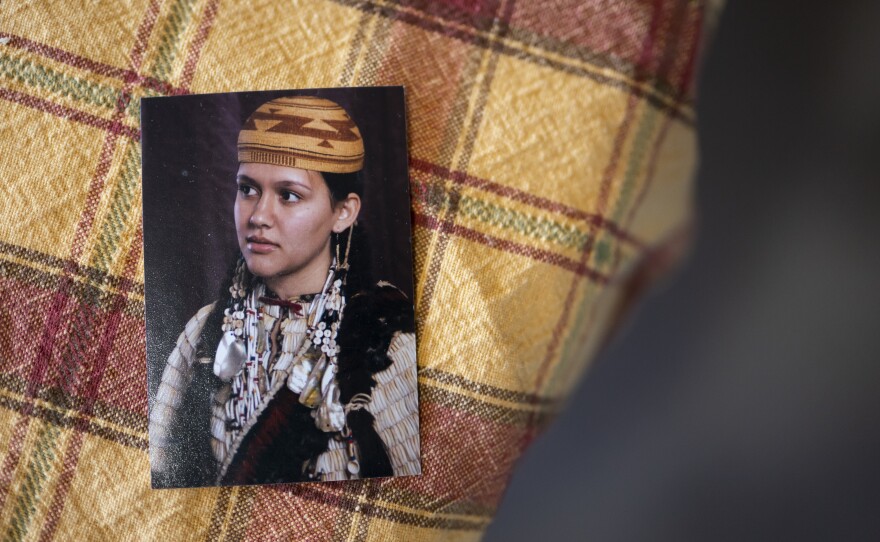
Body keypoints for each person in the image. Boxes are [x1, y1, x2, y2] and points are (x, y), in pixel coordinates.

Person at [148, 95, 420, 487]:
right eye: (247, 189)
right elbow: (165, 472)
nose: (258, 216)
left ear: (343, 212)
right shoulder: (205, 330)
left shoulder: (386, 337)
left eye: (289, 195)